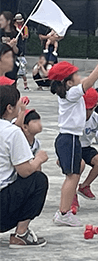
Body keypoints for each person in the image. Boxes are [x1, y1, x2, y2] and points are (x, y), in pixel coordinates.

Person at [49, 54, 98, 227]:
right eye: (75, 74)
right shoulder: (72, 93)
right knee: (73, 177)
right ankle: (63, 213)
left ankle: (63, 211)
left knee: (72, 177)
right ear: (68, 82)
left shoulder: (67, 93)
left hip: (66, 138)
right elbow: (89, 82)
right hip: (70, 139)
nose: (79, 76)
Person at [0, 85, 49, 248]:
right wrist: (39, 159)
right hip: (3, 205)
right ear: (9, 108)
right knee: (38, 180)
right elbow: (25, 171)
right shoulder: (13, 132)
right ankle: (21, 233)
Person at [0, 11, 19, 81]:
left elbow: (17, 51)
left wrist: (14, 46)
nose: (0, 22)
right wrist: (8, 45)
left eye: (2, 20)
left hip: (11, 61)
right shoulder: (0, 33)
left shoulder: (16, 33)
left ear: (8, 22)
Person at [14, 14, 29, 90]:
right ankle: (14, 85)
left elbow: (25, 36)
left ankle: (25, 85)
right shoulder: (13, 28)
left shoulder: (25, 27)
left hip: (21, 49)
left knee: (22, 68)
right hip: (14, 49)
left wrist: (21, 32)